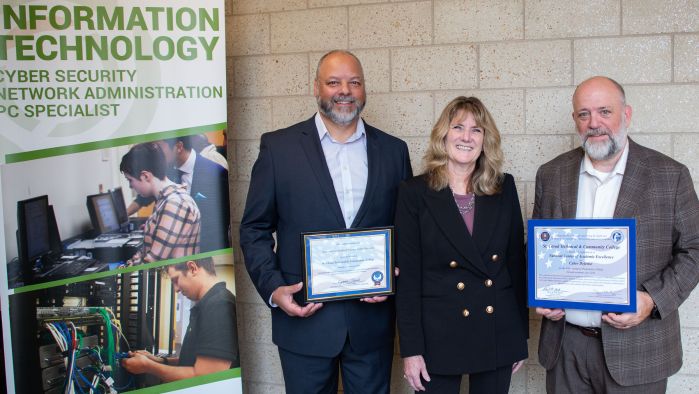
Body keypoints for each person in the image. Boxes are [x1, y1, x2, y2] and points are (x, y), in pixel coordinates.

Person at [239, 49, 412, 393]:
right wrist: (274, 288)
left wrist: (394, 272)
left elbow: (406, 229)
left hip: (371, 324)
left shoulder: (394, 150)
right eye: (333, 82)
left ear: (364, 90)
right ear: (315, 88)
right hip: (304, 321)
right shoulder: (279, 148)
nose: (344, 90)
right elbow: (254, 228)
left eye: (354, 82)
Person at [534, 76, 699, 393]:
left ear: (626, 114)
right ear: (575, 120)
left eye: (604, 111)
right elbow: (539, 246)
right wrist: (542, 291)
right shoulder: (551, 174)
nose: (594, 123)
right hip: (565, 347)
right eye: (584, 114)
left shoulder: (670, 175)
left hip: (639, 351)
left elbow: (694, 250)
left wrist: (652, 300)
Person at [395, 96, 528, 393]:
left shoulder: (503, 187)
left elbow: (514, 265)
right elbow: (408, 278)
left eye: (476, 130)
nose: (467, 137)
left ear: (486, 140)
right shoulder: (414, 192)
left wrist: (519, 337)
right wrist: (411, 349)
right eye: (458, 127)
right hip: (436, 337)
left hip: (496, 330)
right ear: (443, 134)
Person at [121, 257, 239, 382]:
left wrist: (148, 366)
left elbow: (205, 377)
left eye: (176, 280)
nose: (176, 289)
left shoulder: (219, 305)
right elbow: (194, 361)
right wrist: (159, 360)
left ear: (192, 268)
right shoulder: (207, 304)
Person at [119, 143, 201, 265]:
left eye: (130, 180)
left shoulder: (174, 204)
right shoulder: (164, 200)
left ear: (145, 176)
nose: (131, 186)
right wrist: (139, 257)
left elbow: (153, 262)